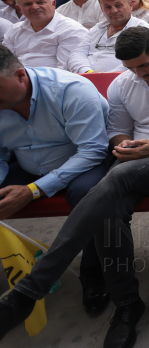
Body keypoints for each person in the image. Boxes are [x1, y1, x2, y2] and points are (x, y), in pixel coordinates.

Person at [0, 27, 149, 348]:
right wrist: (125, 145)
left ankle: (32, 288)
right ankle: (127, 304)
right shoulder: (124, 83)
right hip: (136, 163)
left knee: (113, 180)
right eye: (131, 67)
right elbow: (118, 130)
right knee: (107, 210)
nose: (138, 73)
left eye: (144, 66)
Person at [0, 47, 113, 323]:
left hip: (80, 160)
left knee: (88, 194)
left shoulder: (69, 89)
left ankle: (94, 271)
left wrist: (33, 191)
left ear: (20, 76)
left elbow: (92, 150)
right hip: (27, 165)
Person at [68, 0, 149, 73]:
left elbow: (138, 60)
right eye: (108, 7)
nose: (114, 11)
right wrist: (87, 71)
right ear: (102, 10)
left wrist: (105, 76)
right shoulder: (98, 28)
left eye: (119, 5)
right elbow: (77, 53)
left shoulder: (142, 29)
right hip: (88, 78)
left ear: (130, 5)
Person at [3, 0, 87, 69]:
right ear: (19, 9)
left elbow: (66, 69)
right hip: (17, 79)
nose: (35, 7)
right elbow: (6, 64)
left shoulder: (71, 30)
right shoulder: (14, 30)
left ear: (53, 4)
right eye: (27, 4)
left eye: (40, 2)